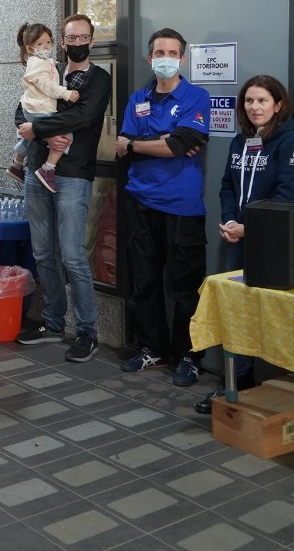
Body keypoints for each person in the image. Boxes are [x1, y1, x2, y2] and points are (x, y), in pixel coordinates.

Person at [194, 75, 294, 414]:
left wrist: (249, 228)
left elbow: (288, 197)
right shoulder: (240, 141)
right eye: (249, 101)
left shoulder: (293, 143)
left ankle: (279, 391)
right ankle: (236, 382)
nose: (255, 107)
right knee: (238, 313)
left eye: (262, 101)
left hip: (274, 245)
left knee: (271, 316)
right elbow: (227, 186)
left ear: (278, 104)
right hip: (238, 240)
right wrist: (232, 222)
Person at [115, 28, 211, 385]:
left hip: (182, 206)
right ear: (150, 57)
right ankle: (151, 348)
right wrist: (160, 142)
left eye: (172, 53)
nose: (165, 58)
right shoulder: (137, 98)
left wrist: (140, 144)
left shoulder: (196, 96)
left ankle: (188, 356)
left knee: (186, 288)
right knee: (144, 282)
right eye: (159, 52)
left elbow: (178, 144)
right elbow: (121, 143)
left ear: (182, 59)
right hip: (140, 201)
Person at [14, 14, 112, 363]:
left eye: (83, 37)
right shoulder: (49, 68)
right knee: (43, 253)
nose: (77, 43)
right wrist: (39, 133)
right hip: (37, 170)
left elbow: (83, 116)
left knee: (72, 255)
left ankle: (87, 331)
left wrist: (39, 128)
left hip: (73, 174)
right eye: (71, 38)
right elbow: (21, 110)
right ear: (62, 41)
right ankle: (53, 322)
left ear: (92, 40)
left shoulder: (99, 78)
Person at [9, 22, 78, 189]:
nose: (46, 46)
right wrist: (66, 93)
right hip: (40, 109)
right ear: (30, 48)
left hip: (32, 108)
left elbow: (46, 67)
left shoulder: (40, 61)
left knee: (29, 136)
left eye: (48, 41)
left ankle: (16, 164)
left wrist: (52, 63)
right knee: (66, 136)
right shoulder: (38, 63)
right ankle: (48, 169)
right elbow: (46, 85)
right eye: (40, 43)